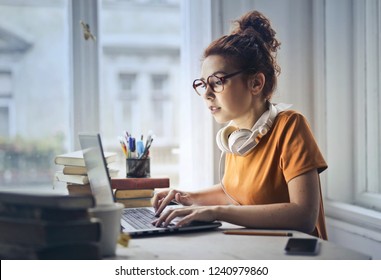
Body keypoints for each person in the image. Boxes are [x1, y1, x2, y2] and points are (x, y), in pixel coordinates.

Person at [152, 10, 328, 240]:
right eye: (203, 84)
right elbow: (232, 192)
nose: (206, 94)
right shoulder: (236, 138)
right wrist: (187, 196)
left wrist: (215, 211)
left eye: (217, 82)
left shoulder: (291, 126)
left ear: (256, 83)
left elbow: (303, 216)